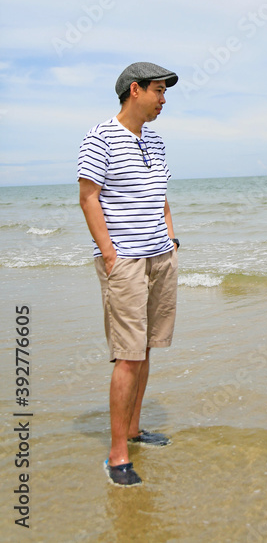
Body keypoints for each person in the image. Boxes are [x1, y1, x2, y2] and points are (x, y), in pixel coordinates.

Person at [77, 62, 180, 487]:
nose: (163, 99)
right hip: (127, 263)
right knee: (128, 354)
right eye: (158, 90)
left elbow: (162, 196)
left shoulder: (155, 141)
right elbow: (88, 197)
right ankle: (117, 453)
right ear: (134, 90)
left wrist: (172, 241)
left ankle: (135, 430)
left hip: (161, 257)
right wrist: (110, 254)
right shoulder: (99, 137)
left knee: (148, 347)